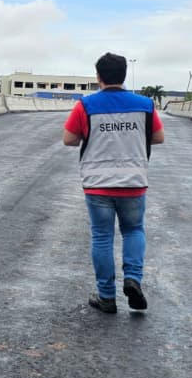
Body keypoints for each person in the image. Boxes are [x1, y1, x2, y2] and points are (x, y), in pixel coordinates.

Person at [62, 52, 164, 314]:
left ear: (99, 77)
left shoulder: (86, 105)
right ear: (124, 75)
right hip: (133, 181)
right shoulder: (144, 104)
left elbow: (69, 139)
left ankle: (107, 296)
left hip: (97, 184)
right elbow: (158, 137)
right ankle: (133, 279)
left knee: (102, 237)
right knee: (133, 231)